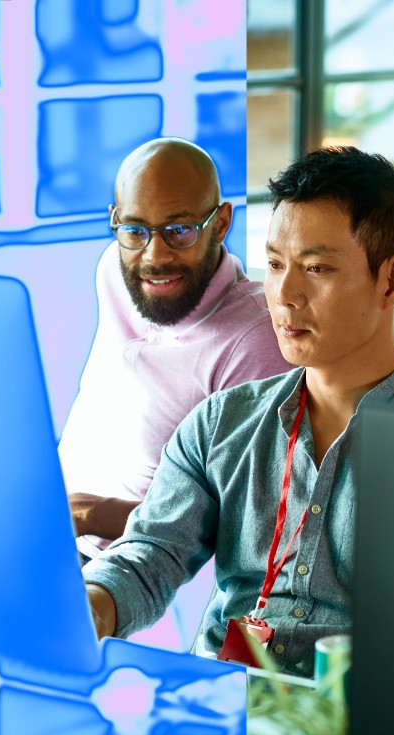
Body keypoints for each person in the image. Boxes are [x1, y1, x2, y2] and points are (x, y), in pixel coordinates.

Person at [83, 146, 394, 677]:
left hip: (352, 727)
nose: (285, 294)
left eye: (317, 268)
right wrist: (94, 602)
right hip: (222, 704)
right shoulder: (220, 425)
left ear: (392, 279)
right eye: (275, 264)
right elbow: (151, 555)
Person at [58, 138, 291, 560]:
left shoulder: (255, 340)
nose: (154, 255)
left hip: (125, 568)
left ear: (220, 224)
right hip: (50, 530)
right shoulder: (114, 269)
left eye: (179, 230)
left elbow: (246, 527)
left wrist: (90, 514)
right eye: (135, 230)